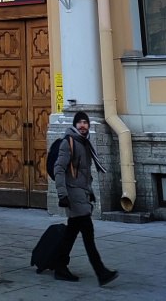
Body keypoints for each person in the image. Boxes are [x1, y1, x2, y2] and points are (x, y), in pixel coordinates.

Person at [54, 111, 118, 286]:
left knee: (71, 233)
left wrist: (89, 191)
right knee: (88, 234)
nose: (83, 125)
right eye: (80, 123)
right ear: (75, 125)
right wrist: (62, 194)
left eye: (85, 122)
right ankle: (101, 272)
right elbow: (59, 169)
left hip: (81, 194)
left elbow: (84, 173)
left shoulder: (85, 143)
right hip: (73, 196)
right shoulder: (69, 143)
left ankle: (59, 265)